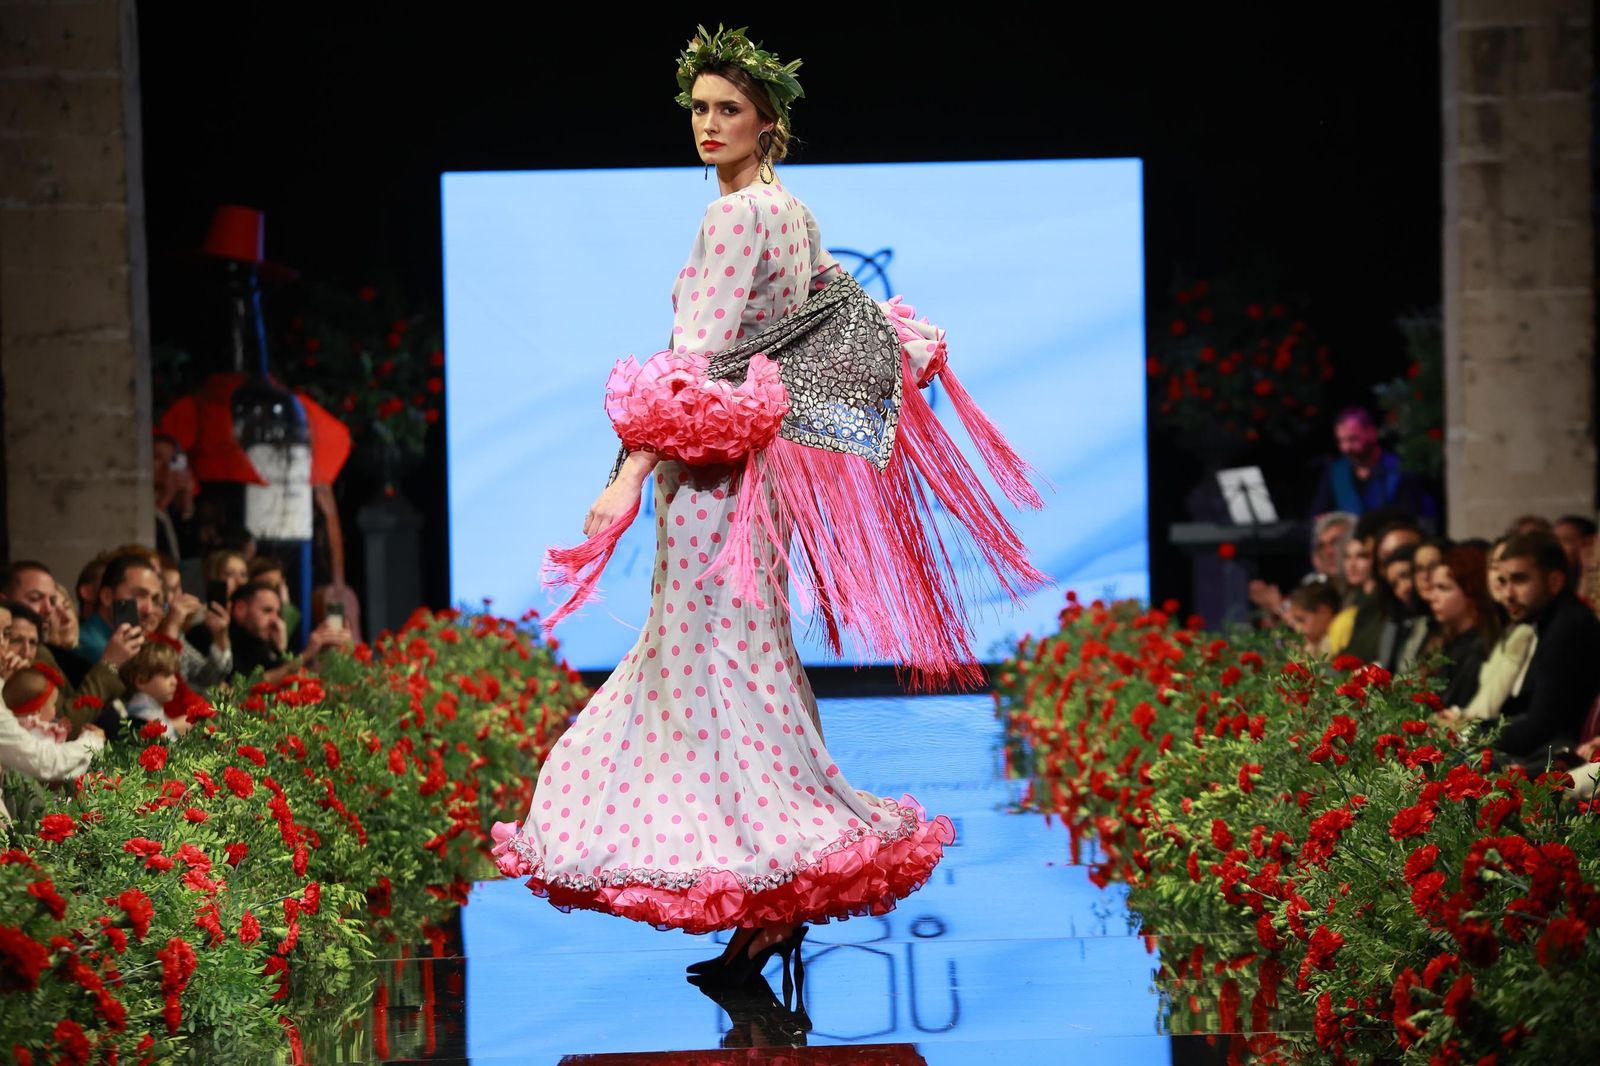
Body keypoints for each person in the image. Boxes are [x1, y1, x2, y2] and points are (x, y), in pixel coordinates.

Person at [491, 25, 1044, 999]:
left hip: (712, 477)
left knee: (706, 673)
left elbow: (689, 368)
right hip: (757, 477)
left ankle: (765, 882)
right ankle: (769, 905)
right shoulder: (790, 212)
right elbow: (835, 310)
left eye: (727, 111)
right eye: (698, 109)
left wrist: (625, 475)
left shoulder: (732, 221)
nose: (707, 125)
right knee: (743, 667)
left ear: (767, 122)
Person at [1492, 530, 1600, 762]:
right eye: (1503, 581)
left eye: (1520, 579)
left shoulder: (1568, 626)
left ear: (1554, 581)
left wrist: (1468, 736)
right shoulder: (1547, 621)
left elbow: (1542, 727)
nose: (1508, 594)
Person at [1307, 408, 1437, 523]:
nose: (1346, 448)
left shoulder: (1400, 470)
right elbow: (1318, 515)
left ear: (1371, 433)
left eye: (1353, 439)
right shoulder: (1336, 471)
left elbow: (1409, 517)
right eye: (1341, 441)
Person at [1420, 545, 1499, 710]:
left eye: (1443, 588)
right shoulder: (1441, 639)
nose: (1433, 597)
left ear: (1470, 590)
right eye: (1433, 587)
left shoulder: (1480, 648)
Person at [1286, 581, 1342, 657]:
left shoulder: (1339, 634)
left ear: (1323, 611)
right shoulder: (1316, 641)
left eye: (1301, 619)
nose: (1297, 629)